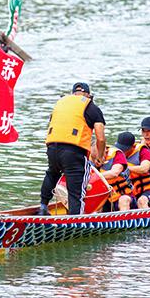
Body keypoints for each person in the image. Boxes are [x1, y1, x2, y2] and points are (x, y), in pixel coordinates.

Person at [40, 82, 106, 216]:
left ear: (73, 94)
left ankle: (42, 208)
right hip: (74, 151)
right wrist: (99, 156)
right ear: (88, 95)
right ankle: (74, 219)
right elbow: (100, 138)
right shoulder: (91, 107)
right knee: (76, 190)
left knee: (52, 173)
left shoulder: (60, 104)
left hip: (52, 148)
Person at [99, 132, 136, 211]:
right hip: (105, 198)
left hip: (123, 195)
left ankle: (125, 218)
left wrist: (94, 176)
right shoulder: (89, 158)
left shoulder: (117, 154)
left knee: (123, 200)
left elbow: (114, 173)